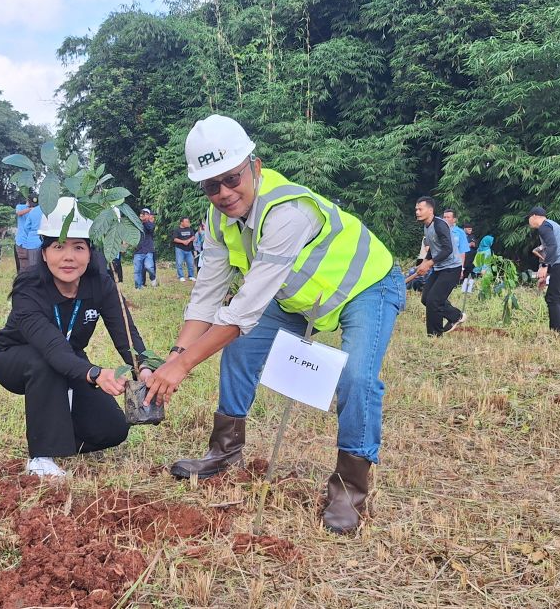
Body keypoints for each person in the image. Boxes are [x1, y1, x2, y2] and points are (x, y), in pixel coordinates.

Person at [145, 115, 405, 534]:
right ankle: (225, 451)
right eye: (212, 186)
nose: (225, 193)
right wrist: (176, 354)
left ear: (255, 166)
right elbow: (207, 297)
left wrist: (184, 366)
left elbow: (243, 311)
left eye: (232, 178)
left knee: (357, 376)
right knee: (240, 349)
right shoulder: (217, 222)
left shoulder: (287, 211)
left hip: (366, 286)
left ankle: (349, 490)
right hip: (295, 297)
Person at [0, 197, 151, 478]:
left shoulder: (100, 284)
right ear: (44, 253)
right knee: (45, 363)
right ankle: (41, 457)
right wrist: (95, 373)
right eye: (58, 246)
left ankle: (60, 435)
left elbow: (125, 333)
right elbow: (51, 347)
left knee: (113, 429)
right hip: (18, 357)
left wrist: (145, 367)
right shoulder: (28, 289)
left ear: (90, 253)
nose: (68, 257)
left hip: (70, 361)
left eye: (78, 247)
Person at [410, 197, 465, 336]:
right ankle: (456, 316)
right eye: (416, 209)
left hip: (452, 268)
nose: (417, 212)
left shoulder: (440, 225)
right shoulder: (426, 226)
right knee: (426, 298)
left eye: (420, 209)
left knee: (434, 300)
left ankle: (434, 335)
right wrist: (424, 262)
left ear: (430, 210)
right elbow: (433, 249)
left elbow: (448, 249)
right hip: (440, 268)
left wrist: (429, 263)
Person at [527, 207, 560, 333]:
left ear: (534, 216)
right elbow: (553, 250)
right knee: (558, 298)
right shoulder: (553, 225)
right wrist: (546, 274)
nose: (528, 221)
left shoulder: (544, 227)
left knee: (552, 298)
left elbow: (552, 246)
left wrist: (544, 267)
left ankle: (557, 333)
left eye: (529, 218)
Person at [14, 195, 43, 272]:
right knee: (24, 265)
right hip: (22, 241)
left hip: (31, 240)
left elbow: (27, 227)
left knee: (32, 266)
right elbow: (18, 213)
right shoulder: (20, 206)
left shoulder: (38, 210)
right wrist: (30, 209)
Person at [133, 208, 157, 288]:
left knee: (149, 267)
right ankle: (138, 286)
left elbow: (150, 229)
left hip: (148, 250)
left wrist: (145, 221)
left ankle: (153, 278)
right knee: (137, 271)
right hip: (138, 250)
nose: (144, 216)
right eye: (143, 214)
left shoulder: (150, 224)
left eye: (146, 214)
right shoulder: (136, 224)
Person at [441, 208, 467, 276]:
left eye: (448, 217)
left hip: (454, 267)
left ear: (454, 219)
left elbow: (462, 253)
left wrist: (461, 269)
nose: (445, 219)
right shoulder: (438, 231)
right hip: (439, 266)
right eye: (444, 217)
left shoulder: (460, 233)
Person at [173, 216, 197, 282]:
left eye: (188, 221)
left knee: (191, 263)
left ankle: (191, 276)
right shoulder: (177, 230)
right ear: (181, 222)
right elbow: (175, 239)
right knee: (179, 263)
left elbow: (193, 236)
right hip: (180, 249)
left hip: (189, 250)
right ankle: (181, 276)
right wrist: (183, 242)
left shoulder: (189, 229)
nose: (188, 223)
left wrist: (189, 240)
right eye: (186, 222)